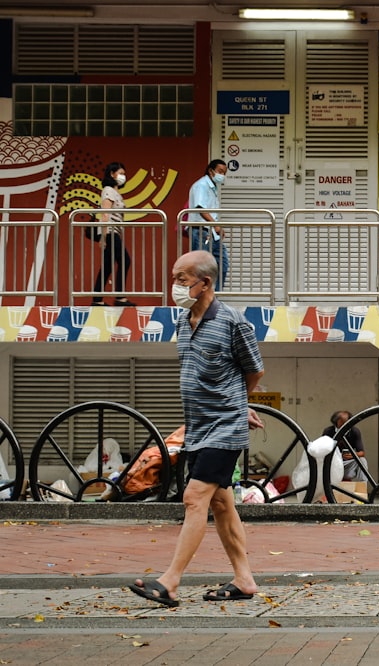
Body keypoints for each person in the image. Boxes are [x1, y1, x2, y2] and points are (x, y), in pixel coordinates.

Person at [129, 250, 264, 608]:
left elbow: (255, 371)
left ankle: (169, 582)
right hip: (199, 428)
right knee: (222, 503)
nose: (175, 285)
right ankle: (244, 579)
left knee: (194, 498)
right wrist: (239, 403)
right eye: (174, 277)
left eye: (182, 278)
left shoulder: (234, 323)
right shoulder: (182, 322)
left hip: (224, 429)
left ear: (205, 283)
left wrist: (237, 405)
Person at [92, 162, 136, 307]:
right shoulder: (108, 190)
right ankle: (119, 297)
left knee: (107, 266)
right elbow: (105, 213)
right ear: (112, 173)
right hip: (109, 231)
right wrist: (104, 237)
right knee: (125, 260)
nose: (123, 176)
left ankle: (97, 299)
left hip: (113, 231)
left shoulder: (115, 192)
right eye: (121, 173)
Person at [187, 159, 230, 290]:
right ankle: (200, 298)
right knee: (201, 268)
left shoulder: (212, 187)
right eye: (220, 171)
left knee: (222, 264)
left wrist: (217, 227)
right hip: (201, 231)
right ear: (211, 171)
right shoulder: (202, 185)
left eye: (224, 173)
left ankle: (214, 297)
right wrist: (215, 225)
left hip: (211, 233)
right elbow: (201, 208)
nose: (222, 175)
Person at [323, 410, 368, 481]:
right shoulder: (328, 431)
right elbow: (322, 451)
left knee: (362, 460)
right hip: (333, 464)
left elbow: (362, 453)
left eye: (347, 422)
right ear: (336, 422)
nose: (345, 424)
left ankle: (362, 485)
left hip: (347, 464)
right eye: (342, 422)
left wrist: (353, 455)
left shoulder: (354, 431)